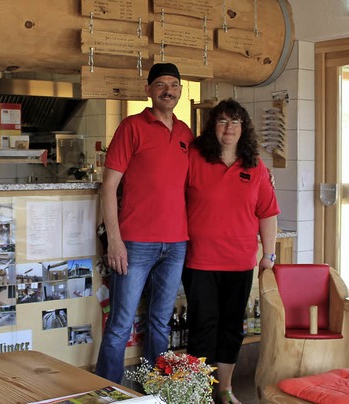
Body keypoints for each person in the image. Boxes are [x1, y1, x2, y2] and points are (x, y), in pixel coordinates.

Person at [95, 63, 194, 383]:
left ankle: (155, 390)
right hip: (135, 242)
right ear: (149, 90)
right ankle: (107, 393)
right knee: (120, 325)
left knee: (160, 324)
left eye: (175, 85)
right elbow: (108, 186)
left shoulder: (185, 134)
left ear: (181, 90)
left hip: (176, 243)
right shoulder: (132, 126)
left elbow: (204, 178)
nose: (169, 90)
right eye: (162, 84)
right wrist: (115, 240)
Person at [182, 99, 279, 404]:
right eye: (222, 121)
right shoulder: (194, 158)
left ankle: (224, 388)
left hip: (239, 261)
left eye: (235, 122)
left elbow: (268, 213)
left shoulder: (255, 166)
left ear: (243, 128)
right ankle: (197, 391)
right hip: (200, 260)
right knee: (202, 326)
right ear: (213, 126)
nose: (229, 128)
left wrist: (269, 255)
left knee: (231, 327)